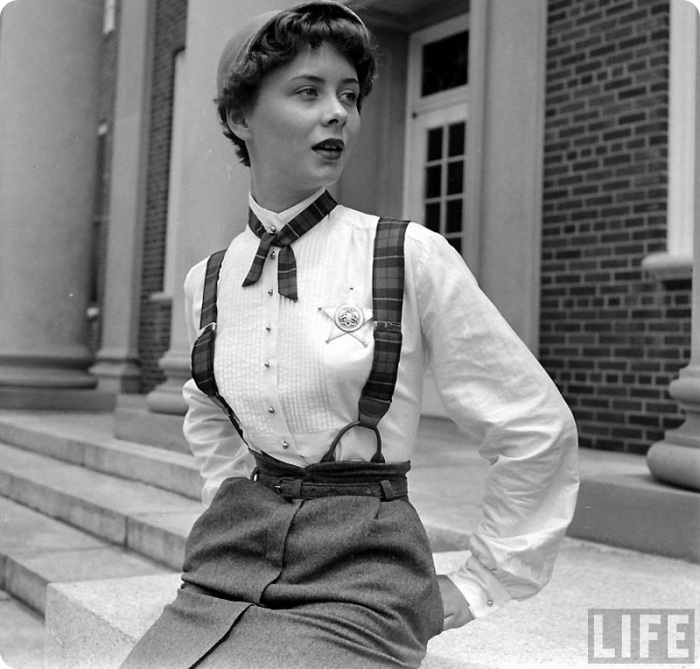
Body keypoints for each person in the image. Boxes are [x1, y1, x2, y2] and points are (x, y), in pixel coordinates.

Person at [122, 2, 579, 668]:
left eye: (348, 95)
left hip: (366, 568)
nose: (337, 112)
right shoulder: (209, 280)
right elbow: (207, 410)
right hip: (230, 558)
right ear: (240, 117)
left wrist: (486, 579)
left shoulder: (407, 254)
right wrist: (227, 502)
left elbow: (535, 425)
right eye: (308, 92)